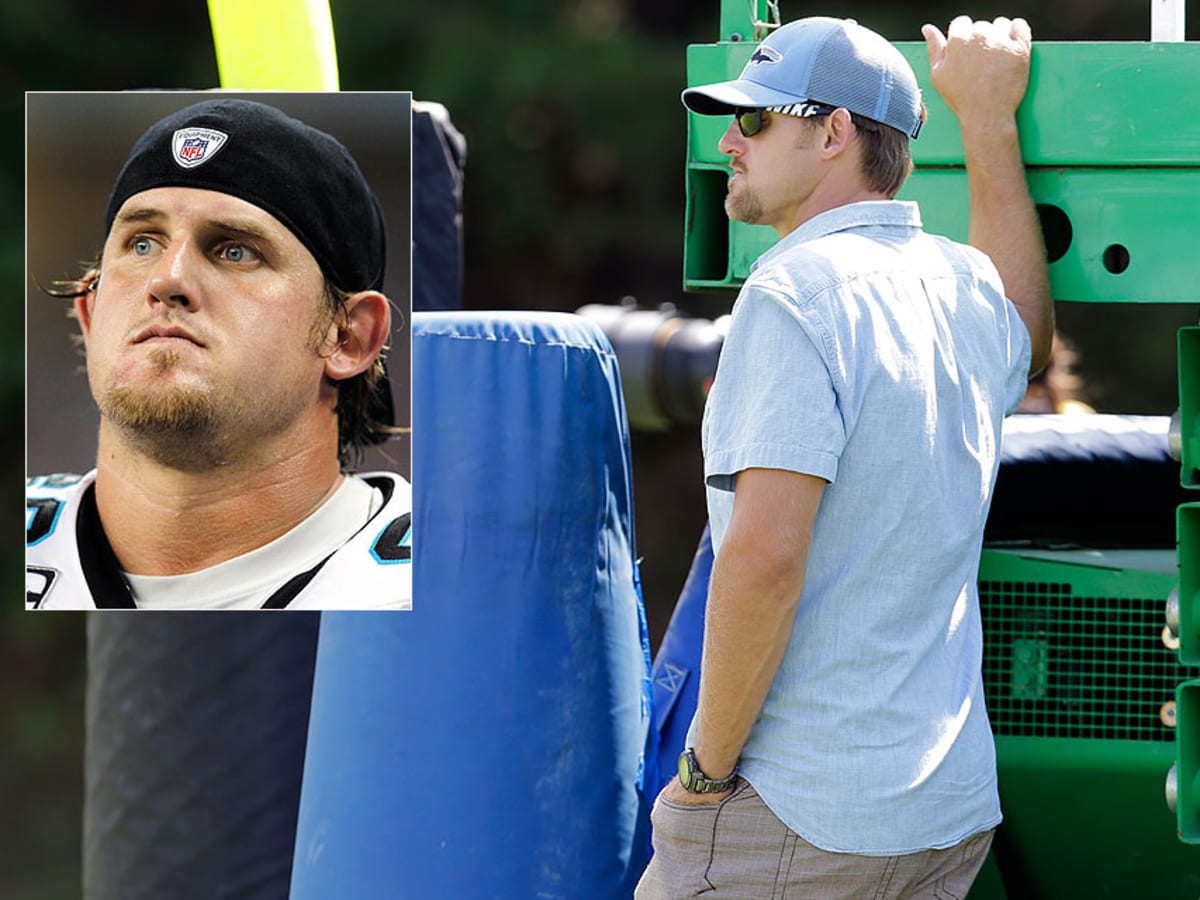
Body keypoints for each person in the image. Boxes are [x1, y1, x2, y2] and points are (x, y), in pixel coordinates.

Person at [637, 15, 1053, 899]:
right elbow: (1028, 323)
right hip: (943, 812)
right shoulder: (960, 283)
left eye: (754, 121)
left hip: (798, 812)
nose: (727, 142)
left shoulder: (789, 295)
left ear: (832, 133)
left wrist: (704, 773)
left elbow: (766, 558)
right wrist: (987, 121)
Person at [26, 97, 412, 610]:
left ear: (349, 339)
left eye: (235, 250)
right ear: (91, 314)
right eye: (142, 244)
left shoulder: (450, 577)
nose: (168, 278)